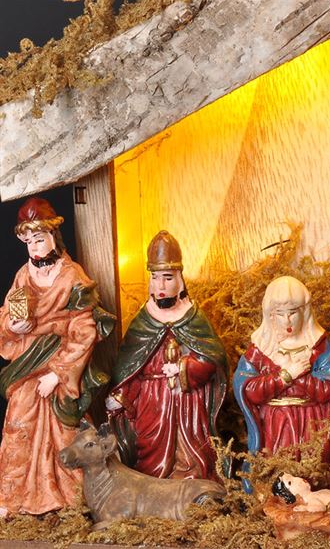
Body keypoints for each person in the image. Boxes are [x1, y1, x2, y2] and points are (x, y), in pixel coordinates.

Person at [0, 197, 113, 515]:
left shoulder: (72, 276)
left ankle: (69, 499)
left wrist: (58, 373)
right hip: (28, 364)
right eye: (29, 242)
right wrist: (13, 325)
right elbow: (8, 313)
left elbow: (84, 330)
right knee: (19, 421)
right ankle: (16, 497)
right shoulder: (23, 276)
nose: (34, 248)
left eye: (39, 239)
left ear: (53, 236)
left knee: (64, 431)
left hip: (60, 367)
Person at [107, 230, 227, 480]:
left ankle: (191, 485)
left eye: (167, 278)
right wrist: (122, 395)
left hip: (187, 401)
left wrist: (184, 368)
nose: (160, 286)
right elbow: (132, 366)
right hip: (152, 402)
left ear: (179, 280)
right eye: (155, 277)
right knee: (149, 456)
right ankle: (154, 488)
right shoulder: (143, 321)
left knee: (190, 455)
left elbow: (212, 359)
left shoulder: (194, 318)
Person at [234, 276, 330, 477]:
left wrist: (301, 376)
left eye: (293, 312)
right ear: (270, 315)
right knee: (277, 469)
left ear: (305, 312)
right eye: (280, 314)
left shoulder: (320, 347)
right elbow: (249, 390)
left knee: (313, 470)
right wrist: (285, 375)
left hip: (311, 422)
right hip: (275, 423)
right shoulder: (260, 350)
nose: (287, 320)